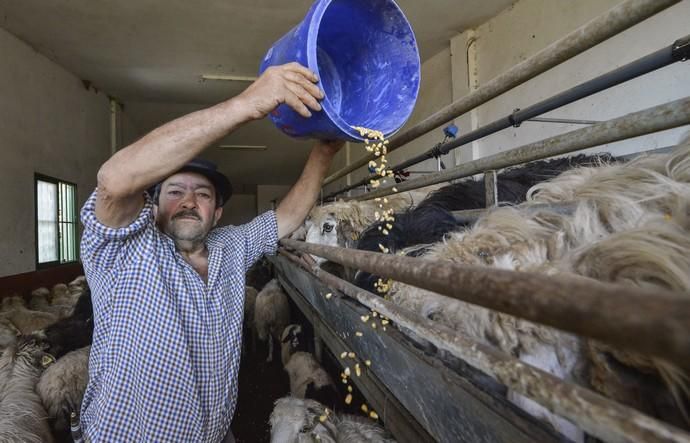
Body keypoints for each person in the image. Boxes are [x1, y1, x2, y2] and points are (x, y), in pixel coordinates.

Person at [78, 62, 343, 442]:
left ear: (216, 212)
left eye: (202, 194)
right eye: (174, 191)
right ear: (151, 207)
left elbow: (286, 217)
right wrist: (248, 103)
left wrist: (324, 152)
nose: (189, 201)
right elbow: (113, 181)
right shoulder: (125, 249)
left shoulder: (229, 247)